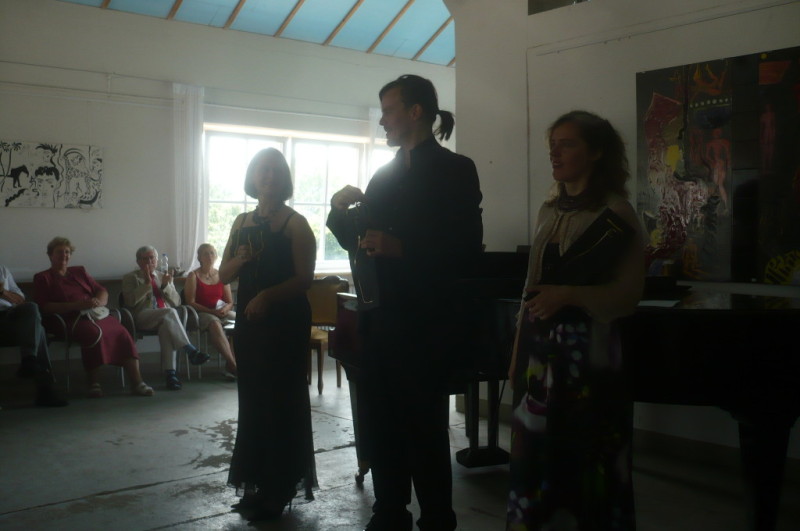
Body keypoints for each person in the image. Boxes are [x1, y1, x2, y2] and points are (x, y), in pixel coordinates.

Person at [327, 74, 483, 531]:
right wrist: (338, 212)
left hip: (427, 323)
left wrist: (404, 248)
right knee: (382, 423)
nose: (382, 121)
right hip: (380, 320)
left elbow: (467, 247)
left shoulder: (457, 169)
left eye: (388, 110)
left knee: (424, 426)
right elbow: (361, 242)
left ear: (416, 112)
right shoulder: (383, 176)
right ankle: (389, 512)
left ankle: (436, 519)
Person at [506, 110, 644, 530]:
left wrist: (569, 294)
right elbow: (530, 288)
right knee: (535, 463)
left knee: (587, 463)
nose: (555, 152)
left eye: (566, 144)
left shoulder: (618, 213)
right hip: (538, 356)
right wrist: (516, 356)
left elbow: (628, 295)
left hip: (591, 360)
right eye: (553, 144)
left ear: (596, 152)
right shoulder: (548, 210)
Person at [220, 148, 317, 522]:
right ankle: (257, 483)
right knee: (254, 401)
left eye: (276, 170)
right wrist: (240, 259)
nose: (269, 176)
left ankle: (280, 486)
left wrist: (267, 296)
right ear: (253, 176)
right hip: (251, 323)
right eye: (263, 169)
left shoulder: (296, 224)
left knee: (281, 401)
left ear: (284, 178)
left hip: (284, 323)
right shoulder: (240, 222)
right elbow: (223, 275)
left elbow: (304, 279)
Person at [34, 237, 154, 398]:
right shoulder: (43, 277)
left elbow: (101, 290)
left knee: (122, 332)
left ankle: (137, 382)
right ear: (50, 255)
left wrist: (99, 302)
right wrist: (76, 305)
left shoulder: (79, 272)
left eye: (67, 252)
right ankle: (93, 383)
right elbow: (44, 307)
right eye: (59, 252)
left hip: (94, 313)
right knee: (93, 333)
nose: (64, 255)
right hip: (66, 319)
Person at [121, 246, 210, 391]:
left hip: (165, 317)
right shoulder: (130, 277)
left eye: (152, 258)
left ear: (157, 260)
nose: (149, 261)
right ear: (138, 261)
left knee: (167, 326)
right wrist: (147, 284)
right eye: (145, 258)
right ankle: (190, 350)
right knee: (169, 313)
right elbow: (130, 302)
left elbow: (177, 302)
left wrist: (165, 286)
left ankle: (171, 376)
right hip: (142, 316)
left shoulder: (164, 276)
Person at [0, 264, 67, 407]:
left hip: (9, 317)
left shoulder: (2, 270)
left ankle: (29, 361)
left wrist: (3, 293)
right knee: (39, 331)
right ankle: (44, 389)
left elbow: (21, 299)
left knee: (32, 308)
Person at [183, 243, 237, 379]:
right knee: (214, 322)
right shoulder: (193, 275)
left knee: (238, 320)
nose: (209, 256)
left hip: (220, 311)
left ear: (216, 256)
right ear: (199, 258)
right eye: (205, 253)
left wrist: (225, 309)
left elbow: (230, 301)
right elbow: (190, 302)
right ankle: (232, 364)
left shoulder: (222, 275)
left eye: (212, 253)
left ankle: (231, 365)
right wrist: (212, 312)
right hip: (201, 313)